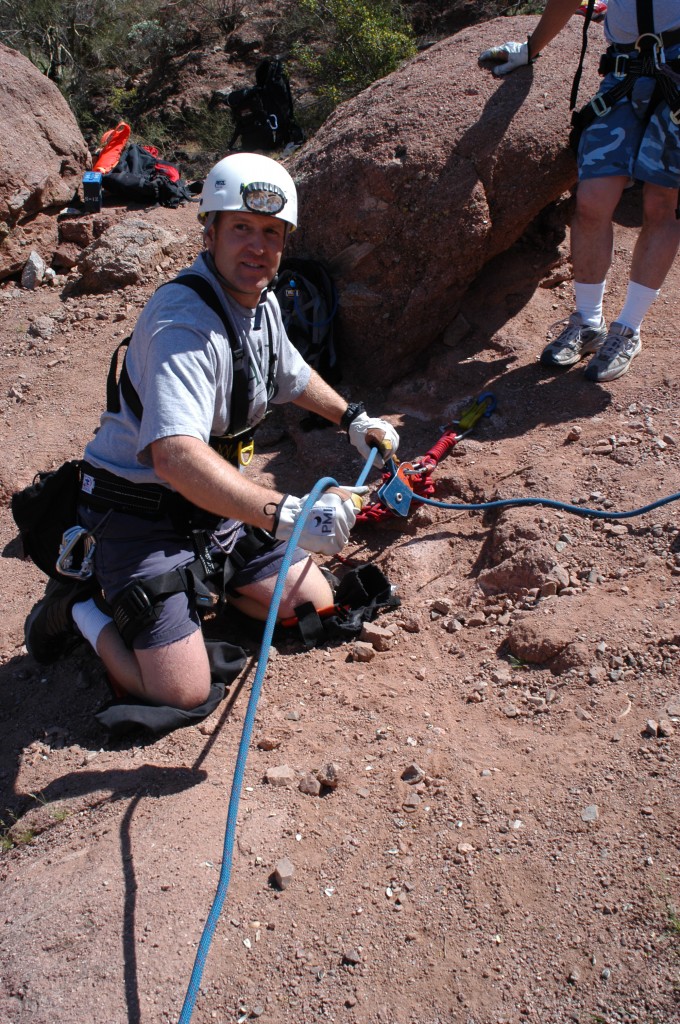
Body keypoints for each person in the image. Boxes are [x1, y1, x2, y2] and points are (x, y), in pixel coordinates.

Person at [24, 152, 399, 714]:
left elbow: (290, 374)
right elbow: (173, 458)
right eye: (241, 228)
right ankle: (81, 607)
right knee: (181, 692)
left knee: (312, 607)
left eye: (271, 232)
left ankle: (196, 593)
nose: (257, 246)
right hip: (138, 514)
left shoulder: (260, 302)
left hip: (209, 509)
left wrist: (352, 419)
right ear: (211, 232)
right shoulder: (185, 322)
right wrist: (284, 513)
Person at [480, 0, 680, 382]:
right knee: (591, 201)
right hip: (625, 73)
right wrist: (530, 48)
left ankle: (628, 329)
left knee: (662, 203)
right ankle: (589, 323)